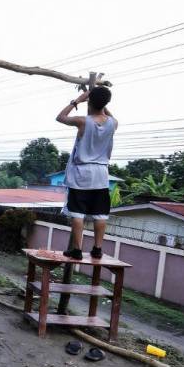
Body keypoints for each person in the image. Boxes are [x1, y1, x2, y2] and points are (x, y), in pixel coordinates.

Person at [56, 85, 117, 259]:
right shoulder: (113, 124)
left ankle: (77, 250)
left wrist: (77, 101)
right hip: (101, 173)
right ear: (106, 103)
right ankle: (97, 249)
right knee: (100, 213)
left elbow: (60, 117)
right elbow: (107, 115)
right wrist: (99, 101)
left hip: (82, 173)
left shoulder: (83, 121)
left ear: (89, 101)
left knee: (77, 212)